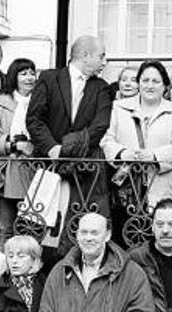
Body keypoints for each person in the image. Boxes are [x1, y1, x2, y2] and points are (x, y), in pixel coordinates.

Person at [26, 35, 113, 257]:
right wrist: (51, 148)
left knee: (82, 227)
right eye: (101, 56)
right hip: (50, 168)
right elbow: (34, 120)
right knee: (44, 229)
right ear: (86, 55)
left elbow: (99, 126)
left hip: (86, 171)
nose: (105, 62)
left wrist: (64, 149)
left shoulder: (102, 88)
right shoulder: (49, 78)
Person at [101, 60, 172, 210]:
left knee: (158, 225)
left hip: (161, 186)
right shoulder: (119, 108)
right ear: (139, 83)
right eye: (145, 80)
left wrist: (155, 156)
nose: (150, 85)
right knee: (124, 227)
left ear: (164, 86)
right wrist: (122, 154)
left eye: (156, 81)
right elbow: (106, 139)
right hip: (126, 186)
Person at [0, 58, 39, 250]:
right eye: (24, 73)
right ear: (14, 76)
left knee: (32, 229)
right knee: (5, 228)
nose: (29, 77)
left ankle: (29, 274)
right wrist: (13, 145)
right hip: (7, 172)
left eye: (32, 73)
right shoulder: (0, 104)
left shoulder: (43, 100)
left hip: (35, 171)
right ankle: (1, 275)